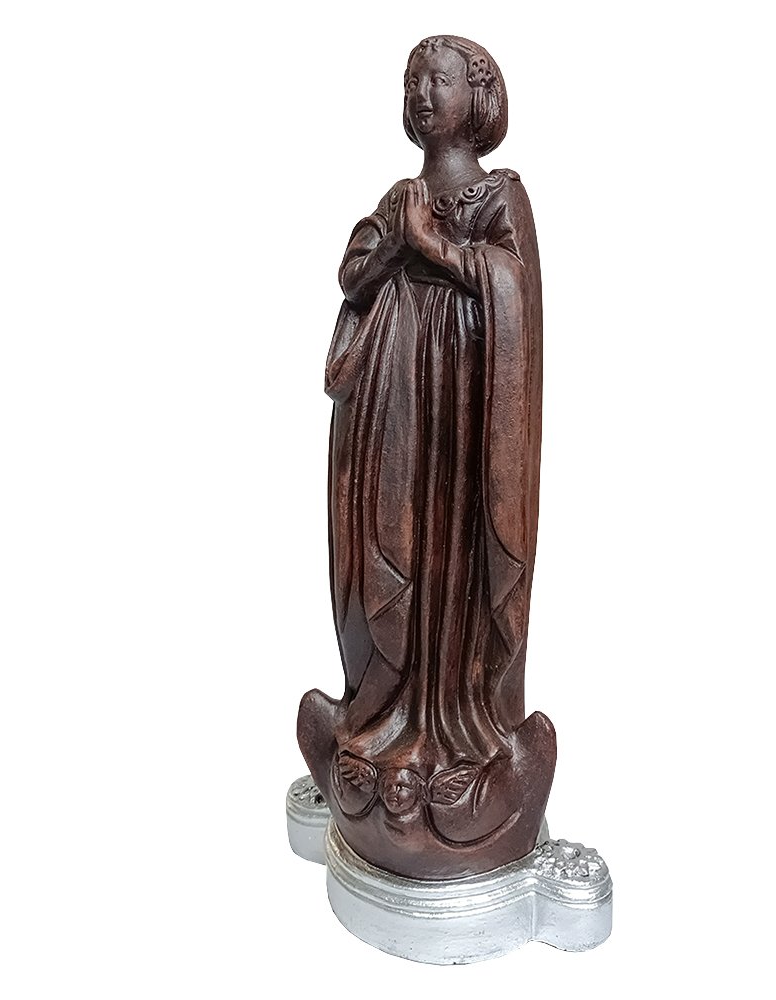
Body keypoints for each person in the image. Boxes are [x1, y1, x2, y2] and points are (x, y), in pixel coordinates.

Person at [298, 36, 555, 880]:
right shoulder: (400, 197)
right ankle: (381, 725)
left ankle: (461, 733)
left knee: (452, 573)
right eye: (412, 80)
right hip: (399, 430)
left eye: (437, 79)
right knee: (393, 559)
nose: (420, 92)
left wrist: (433, 249)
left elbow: (513, 295)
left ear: (476, 98)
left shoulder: (502, 196)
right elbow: (354, 276)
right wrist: (393, 245)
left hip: (466, 437)